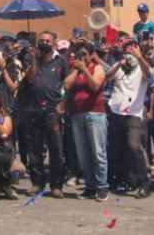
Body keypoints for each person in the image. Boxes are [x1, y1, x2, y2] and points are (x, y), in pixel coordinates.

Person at [23, 31, 67, 197]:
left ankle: (57, 185)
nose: (44, 43)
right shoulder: (33, 59)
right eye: (41, 41)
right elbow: (31, 80)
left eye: (47, 41)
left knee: (56, 150)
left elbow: (68, 83)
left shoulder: (60, 60)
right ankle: (37, 183)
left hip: (52, 110)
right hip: (34, 110)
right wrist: (33, 59)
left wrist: (63, 104)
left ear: (53, 43)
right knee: (34, 150)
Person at [107, 40, 152, 197]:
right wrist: (119, 65)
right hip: (116, 111)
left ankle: (144, 182)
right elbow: (107, 77)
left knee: (134, 146)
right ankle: (121, 180)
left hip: (133, 113)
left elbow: (148, 74)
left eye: (132, 52)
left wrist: (139, 57)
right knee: (116, 148)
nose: (129, 56)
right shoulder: (119, 67)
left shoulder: (142, 68)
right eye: (127, 52)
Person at [65, 40, 107, 200]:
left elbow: (95, 86)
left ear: (91, 55)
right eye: (79, 54)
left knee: (98, 152)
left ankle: (102, 186)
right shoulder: (75, 69)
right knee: (83, 153)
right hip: (77, 114)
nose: (82, 57)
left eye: (84, 54)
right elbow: (67, 85)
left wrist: (85, 70)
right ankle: (90, 186)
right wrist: (77, 70)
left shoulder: (97, 68)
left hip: (95, 114)